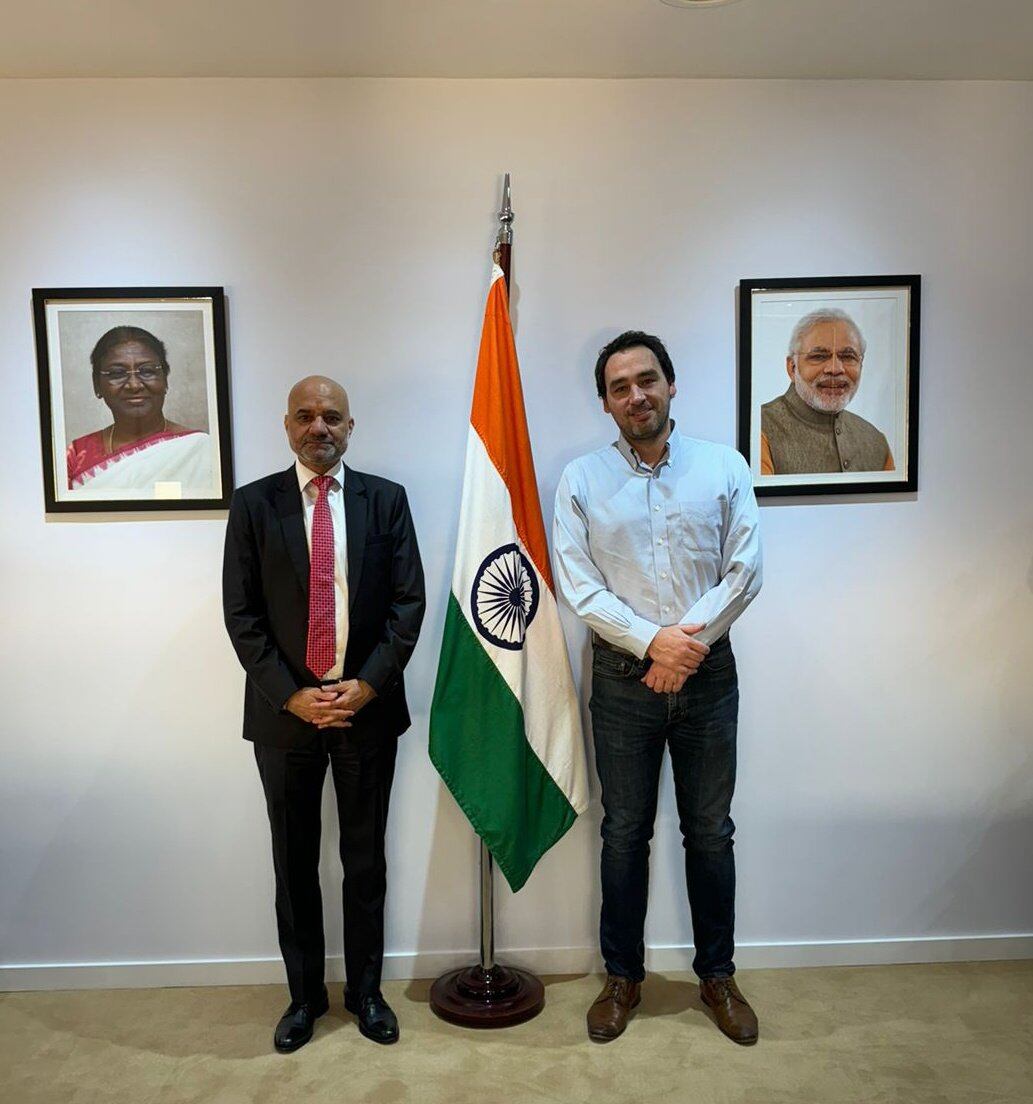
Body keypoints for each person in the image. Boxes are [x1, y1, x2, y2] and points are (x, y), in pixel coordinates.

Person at [553, 331, 762, 1045]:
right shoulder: (580, 480)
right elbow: (579, 586)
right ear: (604, 401)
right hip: (620, 681)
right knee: (622, 833)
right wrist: (652, 643)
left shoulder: (722, 466)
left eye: (647, 379)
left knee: (709, 831)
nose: (635, 394)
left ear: (671, 385)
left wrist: (684, 645)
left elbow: (744, 571)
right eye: (619, 386)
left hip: (706, 674)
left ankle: (717, 976)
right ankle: (621, 978)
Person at [222, 376, 425, 1051]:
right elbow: (242, 614)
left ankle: (365, 994)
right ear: (286, 426)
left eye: (332, 416)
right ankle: (304, 999)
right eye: (306, 416)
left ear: (351, 425)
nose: (320, 428)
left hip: (365, 711)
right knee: (294, 861)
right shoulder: (254, 505)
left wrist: (364, 687)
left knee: (365, 861)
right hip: (285, 717)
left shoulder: (386, 501)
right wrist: (291, 692)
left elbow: (407, 605)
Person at [66, 326, 211, 491]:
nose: (134, 385)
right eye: (117, 373)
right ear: (97, 385)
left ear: (165, 380)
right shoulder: (77, 456)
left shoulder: (199, 450)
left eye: (147, 371)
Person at [760, 308, 894, 475]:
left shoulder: (876, 442)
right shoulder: (760, 429)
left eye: (848, 357)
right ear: (792, 368)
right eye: (819, 356)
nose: (835, 369)